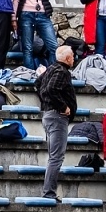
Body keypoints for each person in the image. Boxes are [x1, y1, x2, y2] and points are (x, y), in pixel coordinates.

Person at [38, 46, 77, 197]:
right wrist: (63, 106)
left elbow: (38, 85)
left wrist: (46, 103)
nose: (74, 58)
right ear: (67, 58)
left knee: (54, 156)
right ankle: (49, 192)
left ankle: (49, 191)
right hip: (57, 117)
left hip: (49, 115)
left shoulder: (51, 68)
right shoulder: (61, 71)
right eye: (72, 56)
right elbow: (50, 89)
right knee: (56, 157)